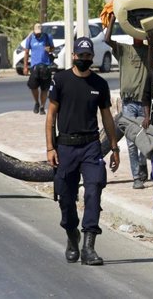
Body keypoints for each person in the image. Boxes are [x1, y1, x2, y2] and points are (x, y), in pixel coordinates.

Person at [45, 37, 121, 266]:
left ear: (92, 57)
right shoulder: (61, 80)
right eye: (81, 56)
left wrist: (115, 147)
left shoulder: (99, 84)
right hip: (66, 147)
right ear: (74, 55)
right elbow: (51, 116)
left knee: (93, 191)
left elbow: (107, 116)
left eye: (88, 56)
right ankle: (72, 234)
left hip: (91, 146)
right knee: (66, 198)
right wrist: (50, 147)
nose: (84, 59)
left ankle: (89, 247)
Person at [105, 13, 153, 189]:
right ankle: (137, 177)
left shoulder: (151, 50)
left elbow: (150, 65)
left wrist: (151, 43)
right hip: (128, 103)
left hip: (144, 103)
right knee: (131, 142)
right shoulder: (124, 50)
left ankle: (143, 168)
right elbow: (106, 39)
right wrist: (112, 19)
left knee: (145, 141)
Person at [23, 23, 54, 115]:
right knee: (33, 86)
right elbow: (26, 52)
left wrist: (50, 49)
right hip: (34, 66)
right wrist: (25, 66)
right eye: (36, 33)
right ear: (33, 31)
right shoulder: (30, 38)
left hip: (46, 65)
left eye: (39, 33)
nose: (38, 34)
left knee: (45, 88)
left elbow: (52, 49)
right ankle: (37, 102)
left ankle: (42, 107)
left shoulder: (47, 37)